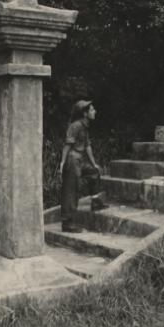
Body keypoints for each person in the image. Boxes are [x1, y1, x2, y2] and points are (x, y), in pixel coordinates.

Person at [59, 100, 108, 233]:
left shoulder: (85, 125)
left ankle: (95, 202)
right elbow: (67, 145)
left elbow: (87, 146)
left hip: (80, 160)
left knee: (94, 172)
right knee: (71, 189)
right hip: (72, 160)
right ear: (85, 113)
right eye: (92, 110)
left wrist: (94, 164)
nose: (95, 112)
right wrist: (62, 163)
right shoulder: (75, 126)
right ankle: (67, 223)